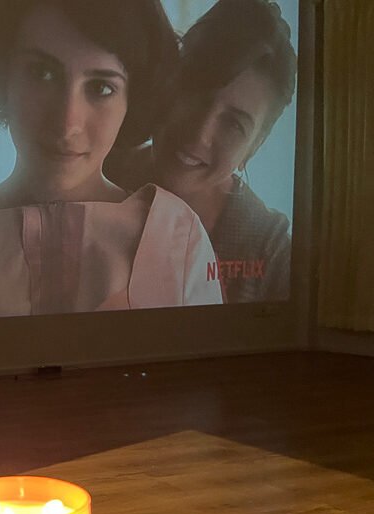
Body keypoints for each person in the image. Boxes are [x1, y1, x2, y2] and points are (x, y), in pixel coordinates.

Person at [0, 0, 223, 324]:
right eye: (42, 73)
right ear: (4, 76)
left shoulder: (177, 238)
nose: (67, 123)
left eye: (101, 88)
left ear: (132, 100)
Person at [107, 0, 296, 303]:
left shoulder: (271, 255)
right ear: (168, 81)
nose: (200, 133)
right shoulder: (96, 172)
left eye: (234, 124)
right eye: (195, 95)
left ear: (255, 146)